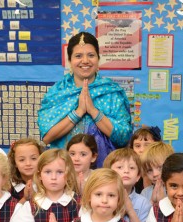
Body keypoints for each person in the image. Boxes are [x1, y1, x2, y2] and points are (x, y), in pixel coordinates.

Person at [38, 32, 132, 167]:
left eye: (91, 55)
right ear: (69, 60)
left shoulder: (111, 92)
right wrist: (78, 112)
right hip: (62, 172)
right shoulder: (58, 93)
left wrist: (93, 111)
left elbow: (123, 138)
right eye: (78, 56)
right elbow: (47, 137)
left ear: (98, 59)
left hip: (103, 175)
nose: (85, 61)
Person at [128, 126, 162, 193]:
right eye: (137, 146)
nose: (142, 150)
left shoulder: (160, 171)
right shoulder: (130, 170)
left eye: (147, 145)